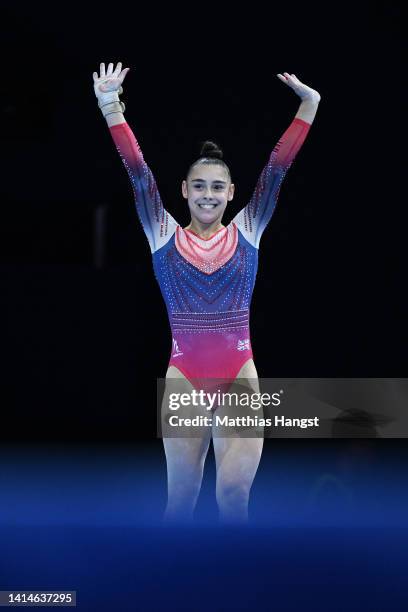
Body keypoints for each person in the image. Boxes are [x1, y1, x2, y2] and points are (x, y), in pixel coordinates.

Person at [93, 62, 320, 524]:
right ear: (184, 190)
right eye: (199, 186)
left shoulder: (250, 228)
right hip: (184, 377)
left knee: (234, 496)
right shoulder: (161, 233)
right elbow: (138, 175)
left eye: (218, 187)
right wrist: (110, 105)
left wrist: (309, 105)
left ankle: (237, 591)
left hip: (239, 374)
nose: (208, 195)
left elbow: (277, 169)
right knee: (180, 503)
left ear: (232, 192)